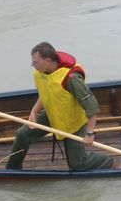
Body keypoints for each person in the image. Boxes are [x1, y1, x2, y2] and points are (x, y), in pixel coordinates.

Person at [6, 42, 114, 171]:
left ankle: (108, 161)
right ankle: (12, 169)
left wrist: (90, 133)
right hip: (52, 114)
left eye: (36, 62)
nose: (32, 65)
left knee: (78, 165)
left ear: (48, 60)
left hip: (72, 122)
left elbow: (92, 107)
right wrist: (34, 111)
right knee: (22, 134)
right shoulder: (40, 72)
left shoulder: (71, 78)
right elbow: (45, 93)